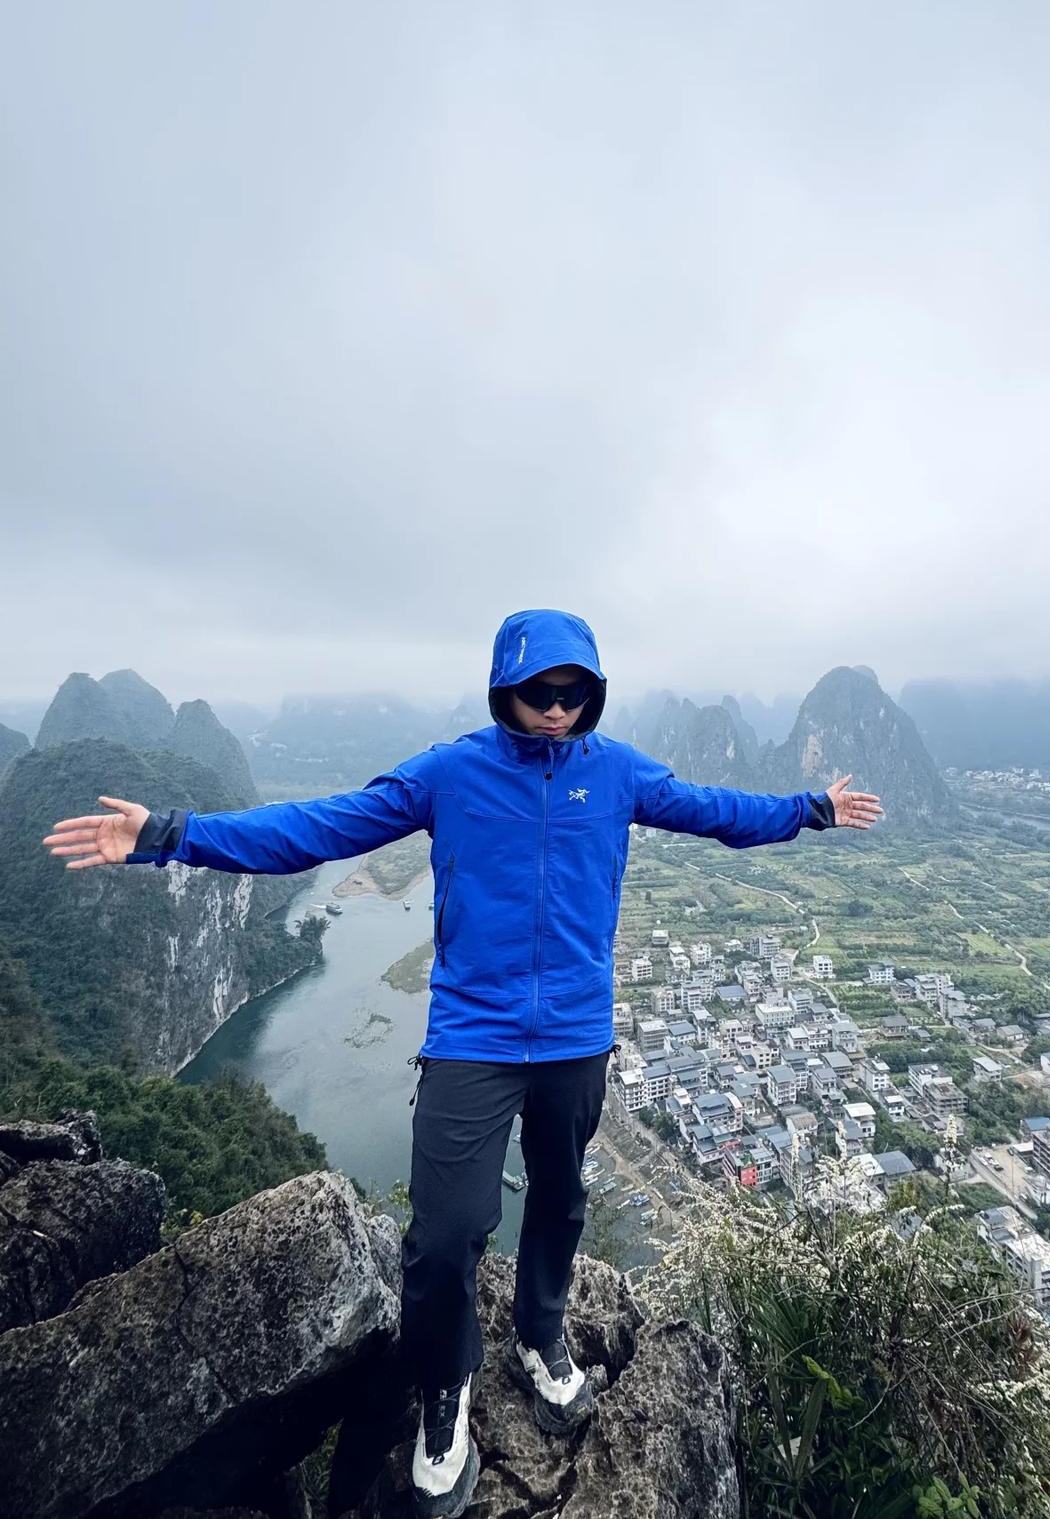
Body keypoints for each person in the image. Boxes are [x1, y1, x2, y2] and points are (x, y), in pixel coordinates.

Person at [43, 608, 884, 1518]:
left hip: (574, 1038)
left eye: (574, 693)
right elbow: (319, 829)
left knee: (560, 1202)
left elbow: (720, 811)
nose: (557, 709)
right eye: (538, 692)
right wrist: (171, 833)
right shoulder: (452, 772)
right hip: (472, 1039)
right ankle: (446, 1389)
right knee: (444, 1234)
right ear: (504, 689)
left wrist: (812, 810)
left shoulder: (619, 774)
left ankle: (542, 1332)